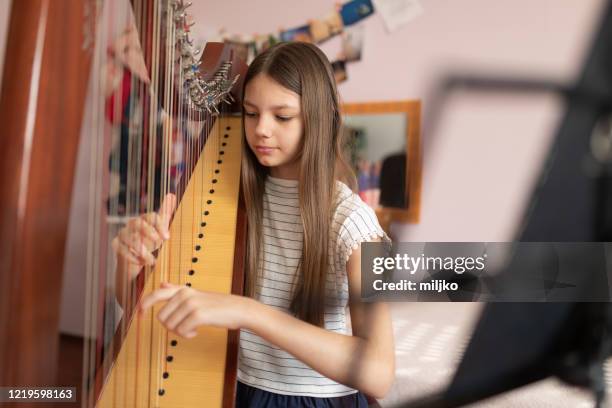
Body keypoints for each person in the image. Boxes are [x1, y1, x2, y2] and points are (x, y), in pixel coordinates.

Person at [113, 41, 395, 407]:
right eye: (250, 113)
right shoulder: (227, 195)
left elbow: (379, 372)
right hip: (237, 392)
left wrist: (249, 312)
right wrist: (128, 264)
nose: (261, 129)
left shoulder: (354, 221)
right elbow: (156, 313)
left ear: (321, 116)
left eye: (282, 116)